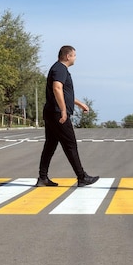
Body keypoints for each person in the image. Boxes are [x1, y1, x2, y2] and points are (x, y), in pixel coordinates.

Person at [36, 45, 99, 187]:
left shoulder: (59, 69)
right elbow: (57, 88)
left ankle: (42, 178)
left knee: (50, 145)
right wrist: (63, 110)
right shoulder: (60, 68)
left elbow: (64, 93)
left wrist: (80, 104)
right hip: (58, 113)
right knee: (70, 144)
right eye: (74, 55)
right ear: (67, 56)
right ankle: (82, 177)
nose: (75, 58)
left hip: (52, 112)